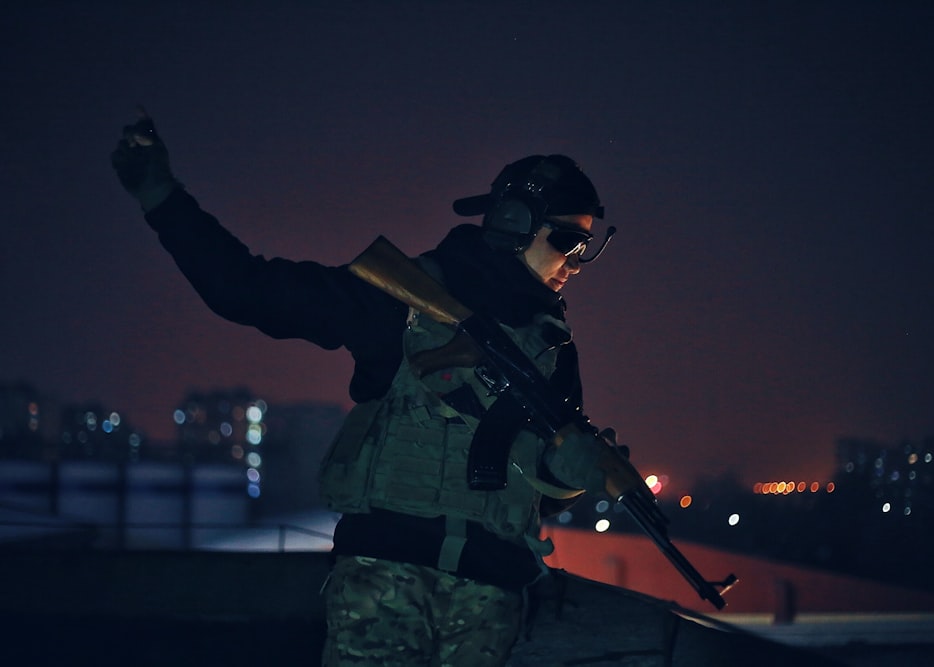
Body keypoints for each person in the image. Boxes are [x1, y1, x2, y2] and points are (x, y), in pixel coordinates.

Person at [111, 110, 619, 666]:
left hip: (488, 594)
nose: (576, 262)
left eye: (586, 247)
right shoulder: (407, 297)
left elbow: (539, 469)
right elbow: (246, 288)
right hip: (386, 581)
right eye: (568, 240)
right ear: (514, 221)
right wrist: (160, 194)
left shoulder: (550, 342)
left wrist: (571, 474)